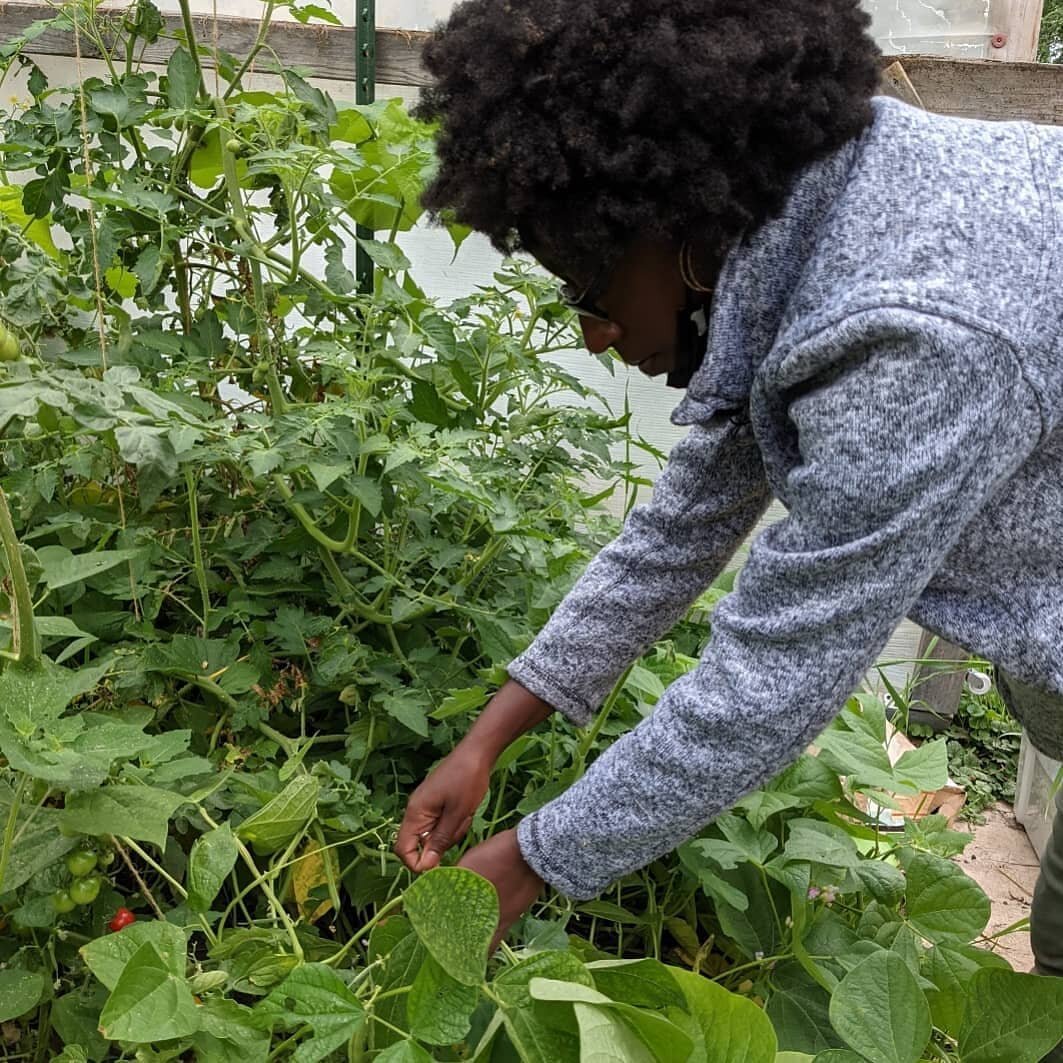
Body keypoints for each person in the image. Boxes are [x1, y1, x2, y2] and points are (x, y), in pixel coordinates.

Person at [393, 0, 1063, 1051]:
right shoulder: (799, 215)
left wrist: (527, 862)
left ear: (675, 228)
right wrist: (491, 737)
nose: (596, 333)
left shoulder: (912, 329)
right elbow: (678, 527)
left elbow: (771, 679)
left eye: (590, 285)